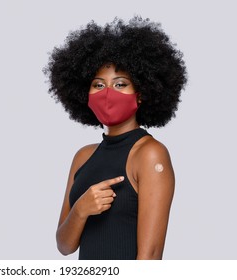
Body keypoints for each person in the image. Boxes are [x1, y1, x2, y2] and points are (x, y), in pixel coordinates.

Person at [43, 16, 187, 260]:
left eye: (120, 84)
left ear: (140, 94)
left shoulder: (150, 154)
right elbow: (64, 246)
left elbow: (150, 256)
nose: (108, 93)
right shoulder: (83, 156)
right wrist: (81, 209)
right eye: (98, 85)